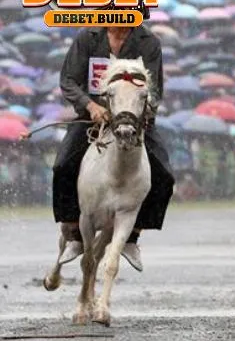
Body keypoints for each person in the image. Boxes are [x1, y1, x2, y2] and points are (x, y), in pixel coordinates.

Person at [53, 17, 175, 272]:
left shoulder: (149, 42)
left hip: (133, 118)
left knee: (164, 174)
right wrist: (91, 105)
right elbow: (68, 80)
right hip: (93, 115)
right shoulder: (88, 38)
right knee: (63, 165)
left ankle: (132, 236)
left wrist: (135, 111)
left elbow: (155, 91)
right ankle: (74, 233)